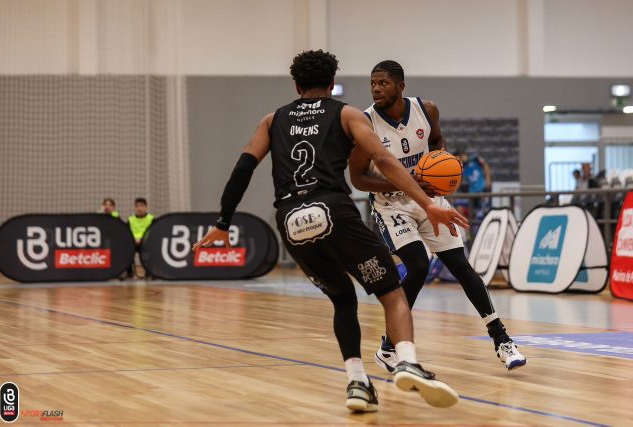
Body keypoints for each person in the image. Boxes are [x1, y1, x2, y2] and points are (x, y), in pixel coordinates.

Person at [194, 50, 469, 412]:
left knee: (342, 297)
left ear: (295, 83)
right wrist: (427, 201)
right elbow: (384, 161)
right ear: (331, 82)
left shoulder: (272, 119)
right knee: (392, 293)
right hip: (334, 212)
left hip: (291, 221)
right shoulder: (347, 114)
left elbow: (244, 167)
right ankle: (406, 360)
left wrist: (222, 223)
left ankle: (357, 383)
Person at [348, 60, 526, 372]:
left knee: (461, 266)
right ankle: (392, 346)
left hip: (430, 199)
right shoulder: (366, 123)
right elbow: (358, 179)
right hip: (391, 206)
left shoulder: (427, 110)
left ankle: (502, 340)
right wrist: (403, 181)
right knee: (417, 263)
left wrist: (439, 166)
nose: (376, 88)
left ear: (401, 86)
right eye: (373, 83)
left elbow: (437, 143)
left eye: (383, 83)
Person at [126, 197, 154, 278]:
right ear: (135, 208)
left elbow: (154, 233)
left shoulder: (151, 218)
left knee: (152, 249)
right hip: (133, 243)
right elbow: (126, 233)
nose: (139, 208)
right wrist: (133, 240)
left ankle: (149, 272)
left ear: (146, 207)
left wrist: (142, 240)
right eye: (137, 206)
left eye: (141, 206)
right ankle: (130, 273)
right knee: (126, 250)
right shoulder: (130, 219)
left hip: (146, 243)